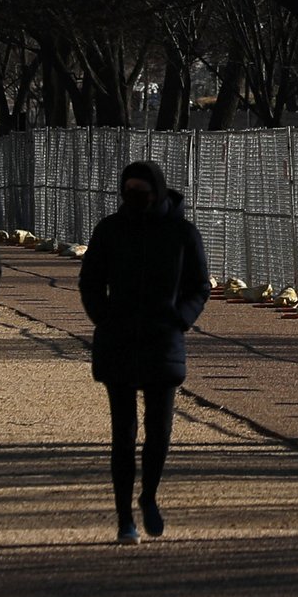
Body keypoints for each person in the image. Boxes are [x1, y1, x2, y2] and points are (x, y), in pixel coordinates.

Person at [76, 159, 209, 542]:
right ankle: (123, 518)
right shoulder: (110, 230)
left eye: (142, 193)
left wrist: (179, 318)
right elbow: (90, 280)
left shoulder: (182, 234)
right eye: (128, 192)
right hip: (119, 340)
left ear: (158, 192)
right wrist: (103, 317)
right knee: (123, 434)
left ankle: (148, 495)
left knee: (159, 431)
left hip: (162, 340)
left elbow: (199, 285)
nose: (134, 199)